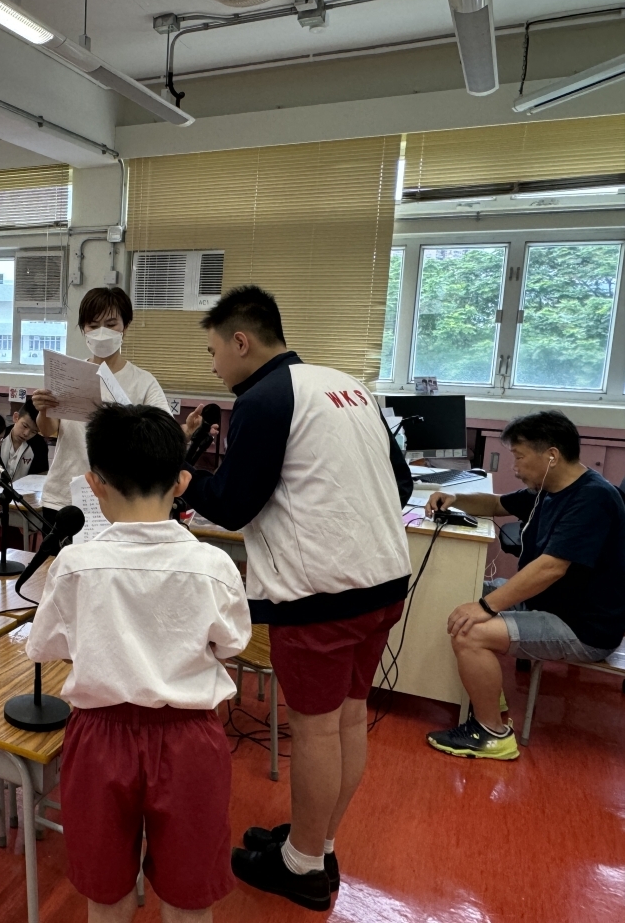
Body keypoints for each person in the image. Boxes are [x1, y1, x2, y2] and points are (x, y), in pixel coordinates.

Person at [180, 286, 412, 911]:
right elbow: (400, 482)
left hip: (322, 597)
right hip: (384, 581)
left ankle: (303, 867)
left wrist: (185, 479)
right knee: (349, 719)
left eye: (213, 353)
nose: (213, 368)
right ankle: (318, 843)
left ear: (241, 342)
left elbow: (234, 504)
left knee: (314, 731)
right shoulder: (350, 387)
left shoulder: (262, 399)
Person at [27, 404, 251, 923]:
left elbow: (46, 646)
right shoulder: (214, 565)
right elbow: (232, 643)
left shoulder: (74, 565)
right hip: (191, 739)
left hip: (99, 739)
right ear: (182, 482)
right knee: (188, 897)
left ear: (94, 485)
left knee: (106, 894)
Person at [425, 411, 625, 761]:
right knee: (460, 588)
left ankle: (492, 734)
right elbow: (496, 503)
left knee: (470, 631)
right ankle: (487, 688)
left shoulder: (593, 499)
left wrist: (486, 607)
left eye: (519, 457)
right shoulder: (549, 489)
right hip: (547, 603)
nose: (514, 467)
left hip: (582, 627)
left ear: (551, 455)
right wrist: (455, 499)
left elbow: (551, 568)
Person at [32, 287, 168, 523]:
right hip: (65, 496)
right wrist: (44, 408)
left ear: (125, 326)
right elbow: (48, 430)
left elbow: (163, 435)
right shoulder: (69, 374)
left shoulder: (143, 382)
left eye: (111, 324)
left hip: (120, 501)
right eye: (93, 326)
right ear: (83, 330)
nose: (101, 333)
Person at [0, 396, 49, 480]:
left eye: (34, 432)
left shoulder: (40, 445)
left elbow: (40, 476)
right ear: (16, 417)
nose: (26, 434)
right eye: (25, 426)